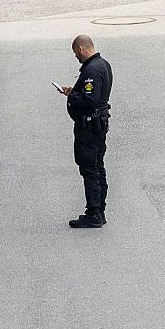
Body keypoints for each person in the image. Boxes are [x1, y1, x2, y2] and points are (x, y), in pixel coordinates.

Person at [58, 34, 112, 228]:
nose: (76, 56)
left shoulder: (91, 69)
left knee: (90, 168)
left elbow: (90, 99)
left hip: (89, 127)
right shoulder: (103, 64)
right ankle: (100, 209)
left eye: (75, 53)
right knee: (97, 166)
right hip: (98, 124)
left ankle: (94, 212)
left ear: (81, 48)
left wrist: (73, 96)